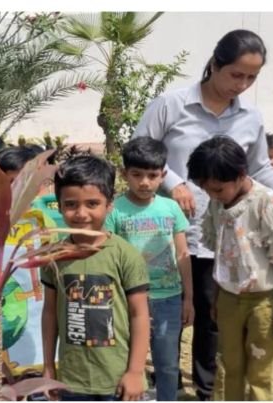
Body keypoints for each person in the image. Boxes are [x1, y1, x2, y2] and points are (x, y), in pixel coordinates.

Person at [133, 28, 273, 401]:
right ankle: (164, 380)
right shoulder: (171, 105)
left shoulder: (250, 116)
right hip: (174, 234)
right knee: (176, 311)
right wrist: (174, 182)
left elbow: (260, 170)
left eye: (251, 77)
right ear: (214, 64)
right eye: (236, 74)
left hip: (231, 238)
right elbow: (141, 149)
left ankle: (206, 390)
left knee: (214, 319)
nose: (242, 84)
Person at [188, 136, 273, 401]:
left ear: (240, 175)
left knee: (260, 371)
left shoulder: (266, 203)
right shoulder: (217, 205)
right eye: (206, 189)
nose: (211, 196)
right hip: (229, 298)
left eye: (217, 189)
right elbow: (220, 254)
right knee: (229, 365)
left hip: (263, 302)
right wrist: (217, 297)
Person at [41, 155, 150, 401]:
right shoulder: (53, 256)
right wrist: (49, 366)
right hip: (71, 380)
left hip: (116, 380)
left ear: (109, 204)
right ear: (58, 205)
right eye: (71, 204)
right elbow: (49, 313)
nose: (81, 213)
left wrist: (135, 371)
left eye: (92, 204)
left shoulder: (125, 255)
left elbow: (139, 315)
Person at [105, 137, 193, 402]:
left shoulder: (170, 208)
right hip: (127, 301)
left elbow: (182, 253)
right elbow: (109, 256)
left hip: (168, 298)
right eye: (137, 174)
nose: (145, 182)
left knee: (167, 363)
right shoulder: (115, 211)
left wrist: (188, 298)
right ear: (124, 174)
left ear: (163, 175)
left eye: (152, 175)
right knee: (129, 362)